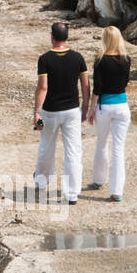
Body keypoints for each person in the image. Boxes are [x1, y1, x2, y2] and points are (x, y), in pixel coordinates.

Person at [32, 21, 90, 205]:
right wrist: (86, 107)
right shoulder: (78, 58)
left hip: (50, 111)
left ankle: (41, 183)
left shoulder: (45, 59)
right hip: (72, 110)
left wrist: (36, 112)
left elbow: (43, 87)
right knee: (73, 151)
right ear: (67, 36)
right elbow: (86, 85)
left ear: (52, 36)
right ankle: (72, 193)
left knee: (46, 148)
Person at [87, 26, 132, 202]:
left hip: (104, 106)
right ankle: (116, 191)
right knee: (118, 149)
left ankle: (99, 181)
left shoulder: (100, 60)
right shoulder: (127, 59)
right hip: (122, 106)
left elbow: (97, 88)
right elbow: (126, 81)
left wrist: (91, 109)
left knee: (102, 143)